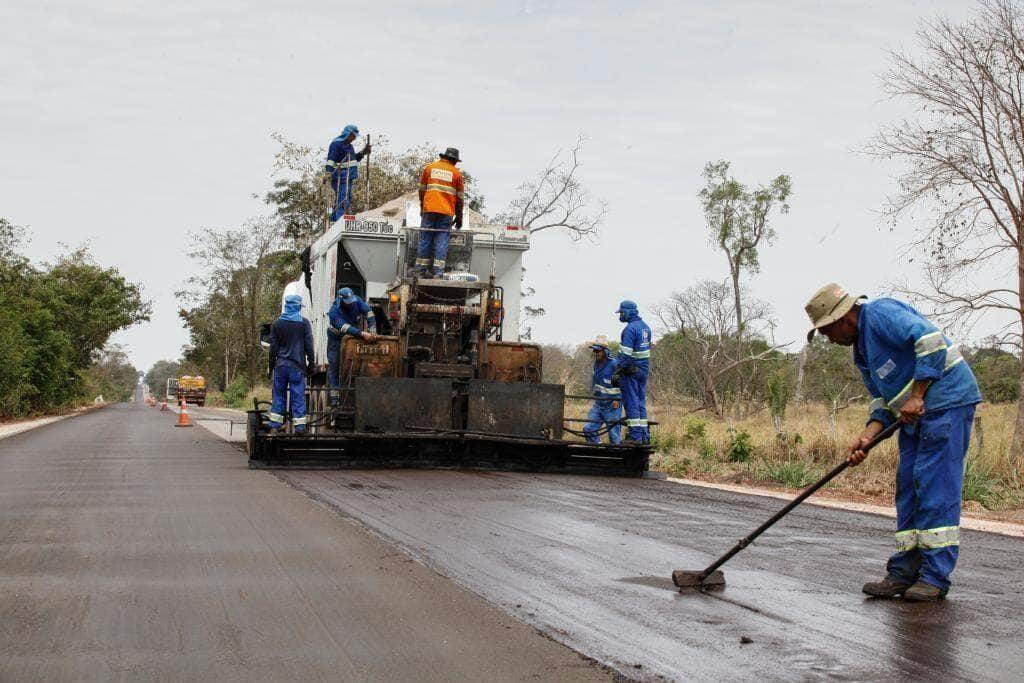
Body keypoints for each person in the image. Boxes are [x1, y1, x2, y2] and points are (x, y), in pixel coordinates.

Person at [804, 282, 982, 602]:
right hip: (914, 417)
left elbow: (930, 341)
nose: (829, 339)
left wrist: (917, 395)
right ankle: (903, 572)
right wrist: (868, 436)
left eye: (828, 332)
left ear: (843, 318)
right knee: (909, 488)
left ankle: (934, 577)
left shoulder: (881, 313)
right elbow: (882, 400)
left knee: (934, 487)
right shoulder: (861, 351)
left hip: (946, 405)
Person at [268, 294, 315, 433]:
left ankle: (275, 426)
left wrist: (271, 368)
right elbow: (309, 345)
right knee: (298, 395)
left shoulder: (276, 324)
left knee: (278, 395)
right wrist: (311, 364)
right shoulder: (304, 323)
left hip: (281, 366)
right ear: (297, 306)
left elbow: (273, 349)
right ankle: (300, 427)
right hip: (297, 367)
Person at [415, 147, 465, 278]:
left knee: (425, 238)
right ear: (454, 160)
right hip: (446, 212)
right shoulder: (456, 174)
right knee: (442, 240)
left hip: (429, 209)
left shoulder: (429, 168)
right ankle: (438, 272)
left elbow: (421, 190)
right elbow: (460, 199)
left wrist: (422, 206)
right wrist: (459, 217)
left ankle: (420, 270)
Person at [327, 287, 377, 405]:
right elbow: (343, 327)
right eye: (347, 302)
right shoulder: (334, 311)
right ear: (340, 300)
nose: (350, 304)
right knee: (335, 364)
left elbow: (369, 312)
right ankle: (335, 397)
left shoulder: (357, 301)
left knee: (356, 363)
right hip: (336, 338)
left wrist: (373, 329)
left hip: (353, 337)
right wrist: (362, 333)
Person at [615, 300, 652, 444]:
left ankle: (635, 437)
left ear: (629, 312)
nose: (620, 315)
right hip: (643, 371)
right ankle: (644, 436)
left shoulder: (630, 329)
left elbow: (626, 354)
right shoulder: (646, 328)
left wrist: (617, 371)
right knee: (640, 402)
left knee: (631, 402)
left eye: (622, 312)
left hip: (631, 372)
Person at [326, 124, 371, 222]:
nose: (354, 138)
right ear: (348, 134)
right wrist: (328, 172)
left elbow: (353, 159)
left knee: (345, 198)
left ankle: (334, 219)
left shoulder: (349, 146)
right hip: (340, 176)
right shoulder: (336, 144)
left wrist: (363, 152)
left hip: (348, 176)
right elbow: (330, 160)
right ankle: (339, 220)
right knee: (343, 199)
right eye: (353, 135)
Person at [583, 335, 622, 445]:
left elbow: (623, 385)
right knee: (588, 429)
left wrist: (618, 400)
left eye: (597, 351)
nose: (595, 353)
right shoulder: (596, 365)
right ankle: (597, 449)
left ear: (605, 351)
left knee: (614, 436)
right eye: (594, 351)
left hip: (612, 405)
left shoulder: (614, 364)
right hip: (599, 404)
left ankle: (617, 458)